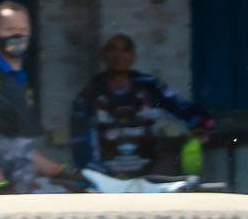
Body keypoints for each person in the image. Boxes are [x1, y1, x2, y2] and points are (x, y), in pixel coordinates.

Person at [70, 33, 209, 183]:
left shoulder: (150, 88)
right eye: (112, 49)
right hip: (108, 181)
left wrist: (201, 129)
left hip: (150, 178)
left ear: (133, 56)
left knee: (171, 153)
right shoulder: (89, 95)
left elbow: (188, 113)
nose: (119, 55)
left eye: (125, 49)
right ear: (103, 55)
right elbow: (81, 147)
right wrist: (107, 177)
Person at [0, 1, 62, 193]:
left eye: (23, 29)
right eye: (10, 29)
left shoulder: (17, 81)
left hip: (16, 194)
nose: (17, 35)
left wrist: (57, 172)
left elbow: (16, 148)